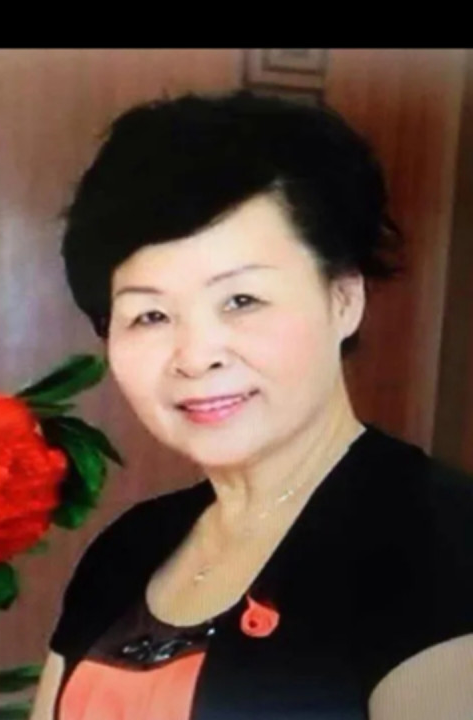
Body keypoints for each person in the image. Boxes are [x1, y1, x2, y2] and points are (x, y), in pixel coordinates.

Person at [30, 90, 473, 720]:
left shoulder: (442, 541)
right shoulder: (127, 551)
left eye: (241, 301)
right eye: (150, 315)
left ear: (344, 299)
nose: (195, 356)